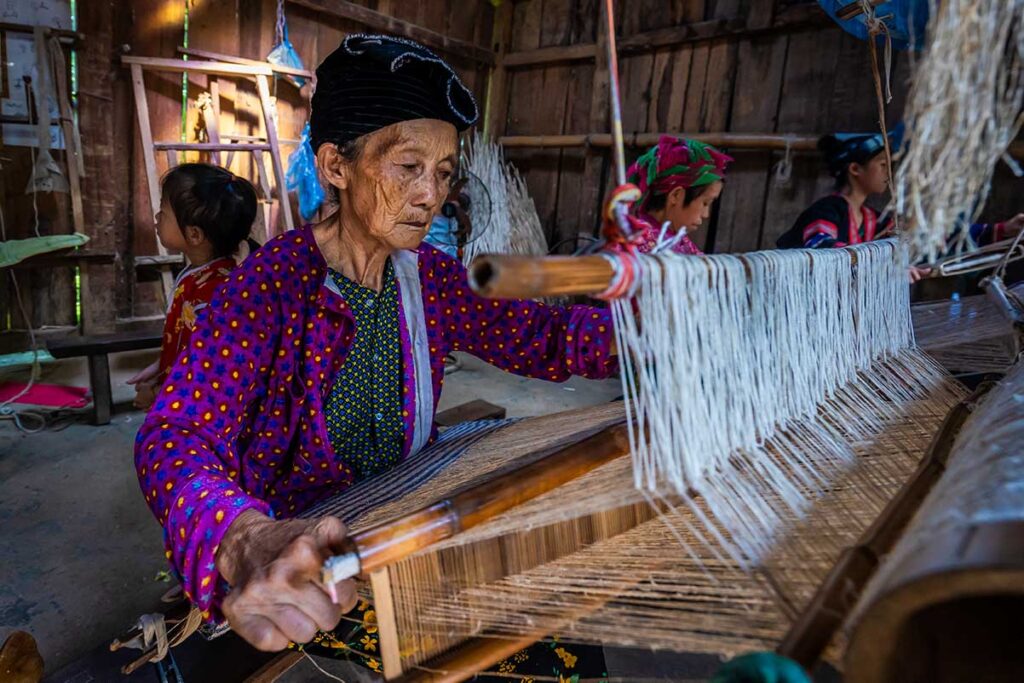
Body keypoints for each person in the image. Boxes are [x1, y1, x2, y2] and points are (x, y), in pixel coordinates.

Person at [133, 35, 618, 678]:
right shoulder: (268, 290)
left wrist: (658, 328)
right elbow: (172, 433)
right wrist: (245, 536)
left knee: (557, 614)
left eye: (444, 174)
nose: (431, 195)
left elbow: (545, 337)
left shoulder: (429, 279)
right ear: (336, 164)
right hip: (315, 551)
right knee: (534, 656)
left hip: (405, 509)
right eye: (408, 167)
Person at [127, 164, 258, 410]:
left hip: (194, 409)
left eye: (163, 212)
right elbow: (186, 342)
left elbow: (204, 369)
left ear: (194, 235)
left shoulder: (214, 294)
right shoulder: (198, 276)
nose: (157, 217)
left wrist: (157, 394)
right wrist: (161, 365)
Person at [776, 132, 1023, 256]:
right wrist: (887, 264)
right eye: (882, 165)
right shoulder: (827, 210)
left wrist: (1000, 230)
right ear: (854, 169)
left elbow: (923, 239)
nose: (888, 173)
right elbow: (820, 247)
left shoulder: (875, 219)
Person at [626, 135, 733, 254]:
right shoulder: (638, 245)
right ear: (676, 195)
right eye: (705, 203)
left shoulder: (677, 240)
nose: (706, 214)